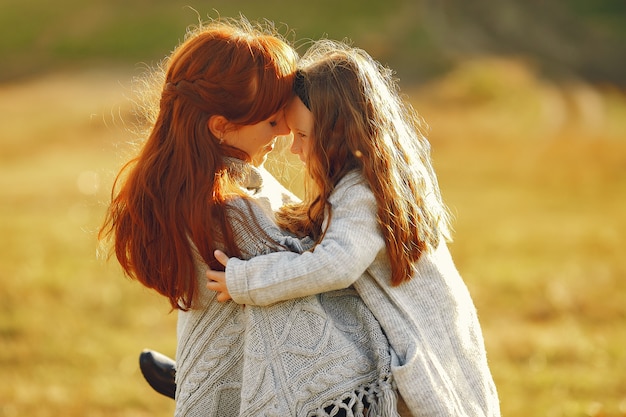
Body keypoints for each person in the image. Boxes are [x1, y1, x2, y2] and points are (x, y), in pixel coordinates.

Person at [99, 18, 401, 417]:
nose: (283, 135)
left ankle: (194, 379)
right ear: (222, 127)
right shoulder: (229, 210)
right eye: (273, 121)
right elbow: (318, 273)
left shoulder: (195, 176)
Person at [206, 39, 502, 417]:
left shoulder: (362, 192)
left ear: (337, 131)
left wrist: (247, 281)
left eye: (301, 135)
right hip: (414, 338)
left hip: (422, 349)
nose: (293, 149)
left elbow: (335, 264)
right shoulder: (366, 181)